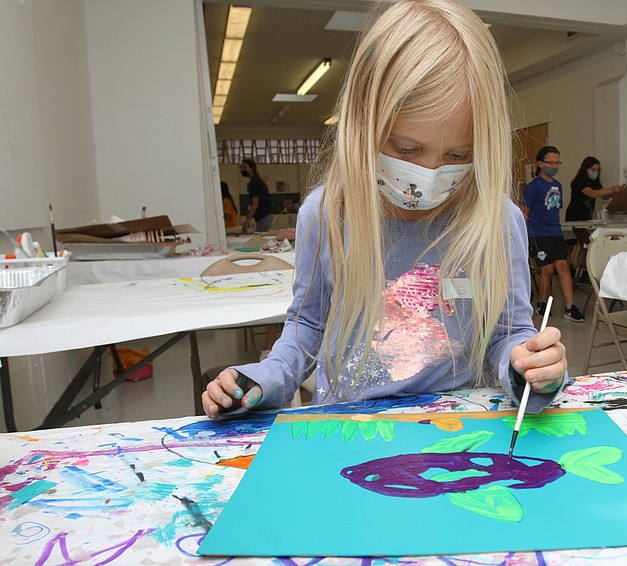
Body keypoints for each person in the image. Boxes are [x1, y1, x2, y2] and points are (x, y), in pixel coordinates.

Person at [202, 0, 569, 419]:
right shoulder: (326, 214)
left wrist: (530, 369)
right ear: (362, 122)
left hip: (460, 430)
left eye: (458, 154)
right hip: (349, 428)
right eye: (407, 149)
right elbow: (306, 330)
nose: (429, 173)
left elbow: (508, 333)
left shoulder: (497, 221)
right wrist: (265, 379)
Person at [522, 146, 586, 323]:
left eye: (557, 162)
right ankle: (542, 303)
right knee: (547, 268)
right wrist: (523, 237)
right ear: (541, 163)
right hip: (539, 233)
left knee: (563, 266)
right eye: (550, 162)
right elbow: (525, 212)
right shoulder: (533, 187)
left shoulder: (557, 185)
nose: (554, 166)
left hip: (555, 231)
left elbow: (555, 209)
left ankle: (570, 306)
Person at [564, 156, 624, 221]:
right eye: (593, 169)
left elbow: (604, 196)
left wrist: (614, 193)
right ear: (585, 169)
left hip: (587, 216)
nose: (595, 172)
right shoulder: (579, 181)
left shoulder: (595, 182)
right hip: (575, 216)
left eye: (597, 170)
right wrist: (612, 189)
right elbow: (592, 193)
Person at [240, 158, 273, 233]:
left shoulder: (254, 182)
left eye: (245, 167)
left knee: (261, 238)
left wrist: (246, 223)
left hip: (263, 216)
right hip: (264, 215)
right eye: (241, 167)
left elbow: (255, 204)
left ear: (252, 168)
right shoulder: (256, 180)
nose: (242, 170)